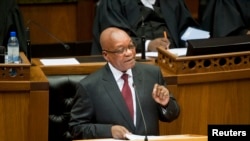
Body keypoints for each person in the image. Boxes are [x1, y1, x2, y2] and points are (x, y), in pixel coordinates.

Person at [69, 27, 180, 140]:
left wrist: (165, 104)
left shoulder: (152, 74)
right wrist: (109, 131)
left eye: (131, 46)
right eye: (120, 50)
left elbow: (172, 115)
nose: (129, 53)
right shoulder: (90, 86)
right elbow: (76, 128)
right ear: (106, 55)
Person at [91, 0, 200, 55]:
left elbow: (187, 27)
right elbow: (112, 39)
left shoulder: (172, 2)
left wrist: (192, 42)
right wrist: (147, 45)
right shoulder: (113, 3)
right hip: (134, 66)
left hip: (175, 62)